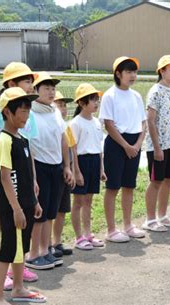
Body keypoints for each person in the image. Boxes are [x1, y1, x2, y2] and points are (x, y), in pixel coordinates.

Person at [0, 62, 39, 290]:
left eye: (31, 82)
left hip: (20, 179)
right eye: (26, 82)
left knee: (18, 226)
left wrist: (33, 180)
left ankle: (18, 269)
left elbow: (28, 147)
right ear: (11, 84)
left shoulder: (26, 113)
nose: (30, 86)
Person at [0, 87, 46, 305]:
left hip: (25, 205)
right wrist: (15, 208)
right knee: (8, 249)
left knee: (20, 248)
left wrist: (34, 202)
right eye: (21, 111)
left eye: (28, 110)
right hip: (12, 208)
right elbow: (6, 176)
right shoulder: (4, 140)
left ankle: (19, 288)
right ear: (7, 112)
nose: (26, 116)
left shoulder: (21, 139)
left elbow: (24, 176)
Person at [27, 72, 74, 270]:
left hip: (56, 166)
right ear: (35, 91)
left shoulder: (55, 112)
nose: (51, 92)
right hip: (39, 166)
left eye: (53, 88)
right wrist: (33, 177)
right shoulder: (29, 113)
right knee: (40, 214)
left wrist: (66, 166)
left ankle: (45, 251)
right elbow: (27, 146)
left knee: (51, 213)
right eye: (46, 88)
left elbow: (63, 140)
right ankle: (33, 254)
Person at [99, 56, 147, 243]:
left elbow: (143, 123)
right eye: (128, 72)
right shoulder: (110, 95)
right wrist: (126, 146)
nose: (133, 75)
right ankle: (111, 230)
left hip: (134, 144)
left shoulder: (136, 96)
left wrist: (136, 144)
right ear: (118, 74)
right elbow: (109, 125)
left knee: (129, 186)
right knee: (113, 187)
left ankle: (128, 225)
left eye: (134, 72)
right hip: (117, 144)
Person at [143, 55, 170, 233]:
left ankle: (162, 215)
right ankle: (150, 219)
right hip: (158, 146)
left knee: (168, 180)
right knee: (156, 181)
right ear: (162, 71)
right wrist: (157, 147)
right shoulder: (155, 91)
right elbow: (150, 121)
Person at [69, 83, 107, 250]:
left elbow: (99, 147)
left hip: (94, 162)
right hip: (81, 162)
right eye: (92, 100)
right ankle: (79, 237)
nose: (96, 103)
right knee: (78, 201)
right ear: (82, 103)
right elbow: (73, 150)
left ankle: (88, 234)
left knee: (89, 201)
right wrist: (76, 171)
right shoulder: (75, 123)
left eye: (97, 100)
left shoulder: (97, 122)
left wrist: (102, 169)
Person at [52, 90, 75, 256]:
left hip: (66, 169)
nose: (63, 108)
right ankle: (46, 245)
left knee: (62, 208)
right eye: (59, 104)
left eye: (64, 105)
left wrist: (73, 170)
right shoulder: (50, 123)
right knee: (50, 210)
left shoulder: (67, 126)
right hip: (53, 167)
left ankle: (56, 241)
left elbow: (72, 150)